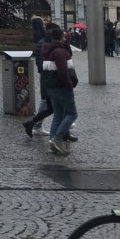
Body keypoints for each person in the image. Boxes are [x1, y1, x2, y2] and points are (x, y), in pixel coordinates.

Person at [40, 25, 78, 156]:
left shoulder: (49, 50)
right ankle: (57, 139)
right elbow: (63, 71)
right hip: (61, 87)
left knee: (58, 115)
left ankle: (52, 142)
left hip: (51, 87)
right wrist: (69, 84)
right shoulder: (60, 51)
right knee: (72, 114)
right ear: (61, 36)